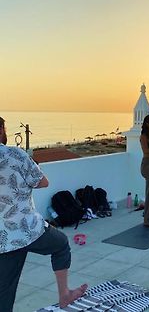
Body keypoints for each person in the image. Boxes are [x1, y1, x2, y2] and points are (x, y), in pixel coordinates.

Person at [0, 117, 87, 312]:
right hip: (27, 230)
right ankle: (64, 295)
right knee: (61, 244)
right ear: (1, 130)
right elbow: (43, 182)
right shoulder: (15, 154)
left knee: (5, 292)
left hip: (3, 239)